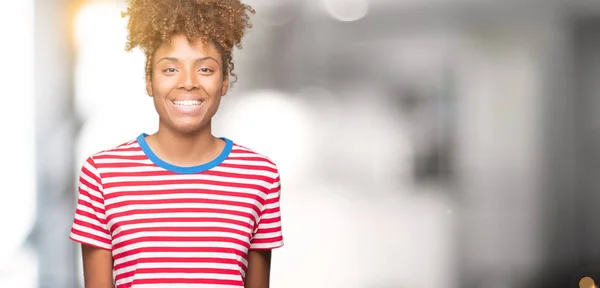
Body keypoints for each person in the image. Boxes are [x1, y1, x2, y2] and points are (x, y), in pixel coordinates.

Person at [69, 0, 284, 287]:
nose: (188, 82)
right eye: (170, 69)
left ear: (224, 82)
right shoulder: (102, 175)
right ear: (149, 80)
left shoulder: (259, 176)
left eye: (205, 70)